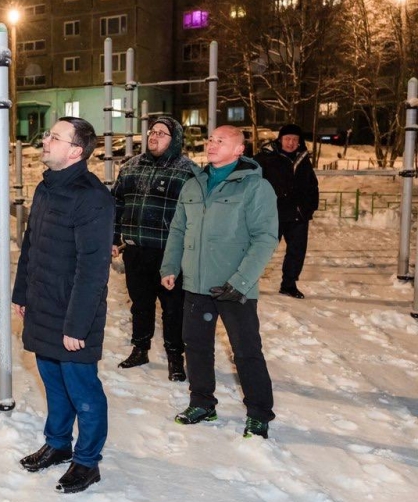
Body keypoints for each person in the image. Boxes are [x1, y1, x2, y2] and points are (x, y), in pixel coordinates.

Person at [13, 117, 114, 494]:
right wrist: (22, 293)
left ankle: (87, 462)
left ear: (76, 150)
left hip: (74, 313)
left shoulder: (92, 197)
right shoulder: (46, 187)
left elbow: (93, 268)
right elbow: (32, 243)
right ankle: (58, 443)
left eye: (55, 137)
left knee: (83, 391)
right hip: (43, 304)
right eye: (48, 135)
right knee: (53, 385)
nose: (45, 141)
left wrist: (77, 326)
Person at [160, 125, 279, 439]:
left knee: (246, 351)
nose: (211, 144)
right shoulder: (193, 184)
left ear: (239, 149)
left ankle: (259, 414)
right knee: (196, 346)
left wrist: (240, 282)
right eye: (210, 139)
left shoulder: (255, 187)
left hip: (235, 287)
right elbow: (178, 230)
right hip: (196, 284)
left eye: (220, 140)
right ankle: (202, 403)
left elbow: (265, 238)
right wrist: (170, 266)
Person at [111, 116, 194, 381]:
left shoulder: (188, 172)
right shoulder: (131, 167)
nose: (154, 136)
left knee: (173, 308)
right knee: (140, 304)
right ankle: (140, 348)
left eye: (161, 133)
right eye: (152, 132)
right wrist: (113, 238)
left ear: (175, 140)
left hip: (171, 254)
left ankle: (175, 356)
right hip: (136, 251)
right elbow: (116, 204)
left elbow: (196, 216)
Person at [254, 124, 319, 299]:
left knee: (297, 251)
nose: (291, 143)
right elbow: (251, 181)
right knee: (262, 249)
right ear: (280, 139)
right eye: (287, 139)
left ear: (299, 142)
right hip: (272, 213)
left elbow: (312, 184)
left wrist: (310, 206)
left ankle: (289, 284)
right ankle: (246, 283)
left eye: (294, 139)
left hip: (298, 214)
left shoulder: (302, 158)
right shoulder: (266, 157)